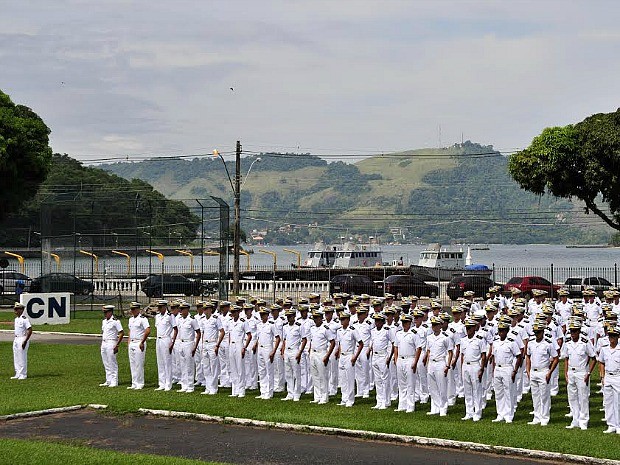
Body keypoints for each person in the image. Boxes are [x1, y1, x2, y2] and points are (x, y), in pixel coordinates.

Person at [560, 319, 596, 430]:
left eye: (575, 331)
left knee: (583, 397)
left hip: (582, 372)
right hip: (571, 371)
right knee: (572, 397)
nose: (573, 334)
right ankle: (575, 420)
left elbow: (593, 358)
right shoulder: (568, 342)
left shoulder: (585, 342)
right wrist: (565, 373)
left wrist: (588, 373)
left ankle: (584, 421)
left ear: (579, 331)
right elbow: (566, 358)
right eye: (571, 331)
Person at [526, 322, 559, 426]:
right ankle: (536, 417)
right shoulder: (531, 343)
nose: (537, 334)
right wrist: (527, 370)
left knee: (544, 396)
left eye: (538, 332)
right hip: (533, 371)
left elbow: (556, 358)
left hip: (543, 371)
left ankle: (544, 418)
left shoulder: (548, 343)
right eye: (535, 332)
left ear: (543, 332)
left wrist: (550, 372)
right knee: (535, 396)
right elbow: (528, 356)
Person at [491, 318, 522, 423]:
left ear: (507, 330)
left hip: (507, 368)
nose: (501, 332)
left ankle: (509, 414)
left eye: (503, 330)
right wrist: (493, 370)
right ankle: (500, 414)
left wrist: (515, 371)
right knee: (499, 393)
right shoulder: (495, 342)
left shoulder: (511, 342)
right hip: (497, 368)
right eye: (499, 330)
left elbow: (518, 356)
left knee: (508, 392)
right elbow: (493, 357)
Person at [424, 316, 454, 416]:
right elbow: (428, 351)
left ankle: (443, 408)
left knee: (442, 387)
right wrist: (427, 363)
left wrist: (448, 365)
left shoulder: (445, 337)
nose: (434, 327)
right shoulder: (429, 337)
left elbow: (450, 352)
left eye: (436, 325)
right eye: (433, 325)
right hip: (431, 363)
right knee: (432, 387)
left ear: (440, 325)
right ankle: (435, 408)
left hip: (441, 362)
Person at [393, 313, 422, 413]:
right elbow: (395, 347)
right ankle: (402, 405)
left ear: (410, 323)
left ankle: (410, 406)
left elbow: (419, 348)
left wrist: (415, 362)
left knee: (410, 384)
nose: (404, 324)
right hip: (400, 359)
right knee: (401, 384)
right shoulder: (398, 333)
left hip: (410, 359)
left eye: (406, 322)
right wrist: (396, 359)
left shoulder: (414, 333)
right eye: (403, 322)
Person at [459, 319, 487, 421]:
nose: (468, 330)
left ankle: (478, 412)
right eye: (467, 328)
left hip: (475, 365)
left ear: (474, 328)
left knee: (476, 390)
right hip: (466, 366)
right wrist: (462, 366)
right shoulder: (463, 340)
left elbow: (483, 355)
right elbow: (462, 355)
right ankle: (469, 412)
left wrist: (481, 369)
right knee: (467, 390)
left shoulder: (479, 339)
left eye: (470, 328)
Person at [335, 310, 363, 408]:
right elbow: (339, 344)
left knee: (350, 378)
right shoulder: (339, 330)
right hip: (342, 356)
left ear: (348, 319)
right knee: (342, 379)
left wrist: (355, 356)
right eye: (340, 319)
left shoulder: (352, 330)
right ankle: (344, 398)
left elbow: (361, 343)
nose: (341, 321)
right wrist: (338, 353)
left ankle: (350, 399)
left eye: (343, 319)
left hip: (349, 355)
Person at [309, 309, 336, 405]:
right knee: (315, 376)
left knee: (323, 376)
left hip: (322, 353)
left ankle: (324, 397)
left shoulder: (325, 329)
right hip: (313, 353)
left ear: (321, 318)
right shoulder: (312, 328)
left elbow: (332, 342)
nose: (315, 320)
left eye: (317, 318)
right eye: (314, 318)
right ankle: (317, 396)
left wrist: (327, 355)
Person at [281, 308, 308, 402]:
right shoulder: (285, 327)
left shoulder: (299, 326)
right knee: (288, 374)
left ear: (294, 317)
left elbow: (304, 339)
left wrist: (300, 352)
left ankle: (297, 393)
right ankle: (290, 393)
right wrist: (283, 351)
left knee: (297, 374)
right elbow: (284, 340)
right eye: (288, 316)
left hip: (295, 351)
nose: (289, 318)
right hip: (287, 352)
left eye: (290, 316)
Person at [254, 307, 281, 399]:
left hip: (268, 348)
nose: (262, 316)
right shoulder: (259, 325)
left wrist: (273, 350)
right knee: (261, 371)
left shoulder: (271, 324)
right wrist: (256, 345)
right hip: (260, 348)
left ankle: (269, 392)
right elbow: (258, 337)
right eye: (261, 315)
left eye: (264, 315)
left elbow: (277, 338)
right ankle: (263, 391)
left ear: (267, 315)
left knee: (269, 371)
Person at [369, 312, 394, 410]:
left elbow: (392, 343)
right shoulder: (373, 331)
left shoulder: (387, 330)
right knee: (378, 380)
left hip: (383, 356)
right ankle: (379, 401)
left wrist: (389, 356)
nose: (377, 323)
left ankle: (386, 401)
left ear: (383, 322)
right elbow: (373, 342)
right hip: (375, 356)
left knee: (385, 379)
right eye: (376, 321)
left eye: (379, 321)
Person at [598, 325, 620, 434]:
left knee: (618, 402)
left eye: (614, 336)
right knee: (608, 401)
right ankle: (611, 424)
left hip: (618, 376)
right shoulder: (604, 349)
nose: (611, 338)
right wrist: (602, 376)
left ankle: (619, 425)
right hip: (608, 377)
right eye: (610, 335)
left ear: (618, 336)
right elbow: (601, 362)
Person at [200, 301, 225, 395]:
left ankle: (214, 388)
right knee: (205, 366)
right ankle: (208, 387)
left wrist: (217, 344)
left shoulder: (215, 319)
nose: (205, 311)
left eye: (206, 309)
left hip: (212, 343)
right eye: (204, 309)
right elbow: (202, 333)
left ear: (210, 309)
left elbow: (222, 331)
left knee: (214, 366)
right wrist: (202, 344)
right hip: (205, 344)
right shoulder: (203, 320)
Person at [228, 304, 252, 398]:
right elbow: (230, 334)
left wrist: (244, 347)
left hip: (239, 344)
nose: (233, 314)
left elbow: (249, 335)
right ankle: (235, 390)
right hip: (232, 345)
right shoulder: (230, 322)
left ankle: (241, 390)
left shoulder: (243, 322)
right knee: (233, 368)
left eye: (235, 312)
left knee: (240, 369)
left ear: (238, 312)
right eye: (232, 312)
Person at [176, 302, 201, 393]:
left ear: (187, 309)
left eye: (182, 309)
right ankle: (184, 385)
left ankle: (190, 386)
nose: (180, 311)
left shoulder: (192, 320)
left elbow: (198, 333)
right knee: (182, 365)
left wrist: (195, 345)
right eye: (180, 309)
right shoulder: (180, 319)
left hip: (189, 343)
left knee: (189, 365)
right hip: (181, 343)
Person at [154, 300, 177, 391]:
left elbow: (175, 329)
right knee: (160, 362)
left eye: (160, 307)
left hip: (166, 339)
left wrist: (172, 341)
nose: (159, 309)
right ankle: (161, 383)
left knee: (167, 362)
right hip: (158, 339)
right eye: (158, 307)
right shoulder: (157, 316)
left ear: (164, 307)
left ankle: (168, 383)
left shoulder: (170, 316)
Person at [127, 301, 151, 390]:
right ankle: (134, 382)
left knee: (139, 363)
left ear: (138, 309)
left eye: (134, 309)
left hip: (139, 342)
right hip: (132, 342)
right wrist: (129, 341)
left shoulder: (142, 319)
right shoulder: (131, 319)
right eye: (131, 309)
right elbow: (130, 330)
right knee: (132, 363)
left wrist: (142, 341)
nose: (132, 311)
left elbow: (148, 330)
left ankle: (140, 383)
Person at [100, 304, 124, 387]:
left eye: (106, 312)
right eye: (104, 312)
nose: (105, 314)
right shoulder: (104, 321)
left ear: (110, 312)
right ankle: (108, 380)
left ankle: (114, 381)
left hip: (111, 342)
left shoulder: (115, 321)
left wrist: (117, 344)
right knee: (106, 362)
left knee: (112, 362)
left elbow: (121, 333)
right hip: (104, 342)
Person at [11, 302, 32, 380]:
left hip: (22, 338)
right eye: (15, 309)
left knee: (22, 356)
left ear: (22, 310)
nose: (15, 310)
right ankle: (17, 373)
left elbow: (30, 330)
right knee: (16, 356)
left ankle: (23, 374)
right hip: (16, 338)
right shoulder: (16, 319)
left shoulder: (25, 319)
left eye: (17, 309)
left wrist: (25, 340)